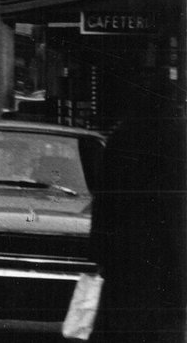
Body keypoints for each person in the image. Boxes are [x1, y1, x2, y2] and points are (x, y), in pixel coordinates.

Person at [89, 82, 187, 340]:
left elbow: (105, 200)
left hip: (126, 252)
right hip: (169, 255)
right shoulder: (178, 137)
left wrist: (99, 247)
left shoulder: (122, 138)